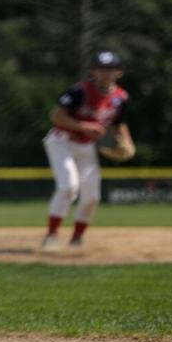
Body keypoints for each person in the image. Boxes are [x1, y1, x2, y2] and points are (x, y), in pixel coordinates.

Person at [41, 50, 134, 253]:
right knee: (68, 187)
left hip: (87, 146)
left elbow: (118, 124)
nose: (105, 73)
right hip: (62, 141)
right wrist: (84, 126)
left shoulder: (120, 98)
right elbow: (56, 116)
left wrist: (127, 142)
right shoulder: (78, 92)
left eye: (110, 69)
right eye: (101, 68)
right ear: (93, 71)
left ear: (119, 72)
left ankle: (77, 239)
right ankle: (51, 235)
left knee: (92, 196)